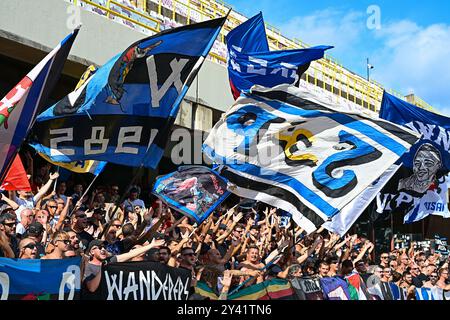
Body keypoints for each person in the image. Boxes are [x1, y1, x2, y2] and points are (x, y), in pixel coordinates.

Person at [81, 238, 164, 298]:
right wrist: (103, 268)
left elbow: (131, 254)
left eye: (104, 247)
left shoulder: (109, 260)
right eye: (99, 247)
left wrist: (151, 245)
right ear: (92, 251)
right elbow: (91, 288)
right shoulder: (88, 266)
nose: (103, 249)